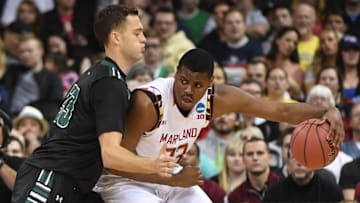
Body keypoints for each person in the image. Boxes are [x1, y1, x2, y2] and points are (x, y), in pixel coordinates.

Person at [94, 48, 345, 203]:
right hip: (124, 180)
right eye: (183, 81)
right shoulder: (148, 103)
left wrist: (325, 111)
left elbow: (277, 109)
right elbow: (116, 163)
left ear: (210, 83)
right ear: (176, 73)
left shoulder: (217, 99)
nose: (188, 91)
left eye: (197, 85)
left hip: (166, 175)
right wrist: (173, 180)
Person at [11, 5, 176, 203]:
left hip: (67, 181)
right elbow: (111, 154)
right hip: (51, 178)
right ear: (116, 37)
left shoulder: (103, 75)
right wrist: (155, 166)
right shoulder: (109, 83)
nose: (144, 39)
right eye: (137, 33)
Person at [263, 146, 344, 202]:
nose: (299, 163)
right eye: (295, 157)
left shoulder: (331, 191)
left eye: (304, 157)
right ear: (288, 162)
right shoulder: (274, 192)